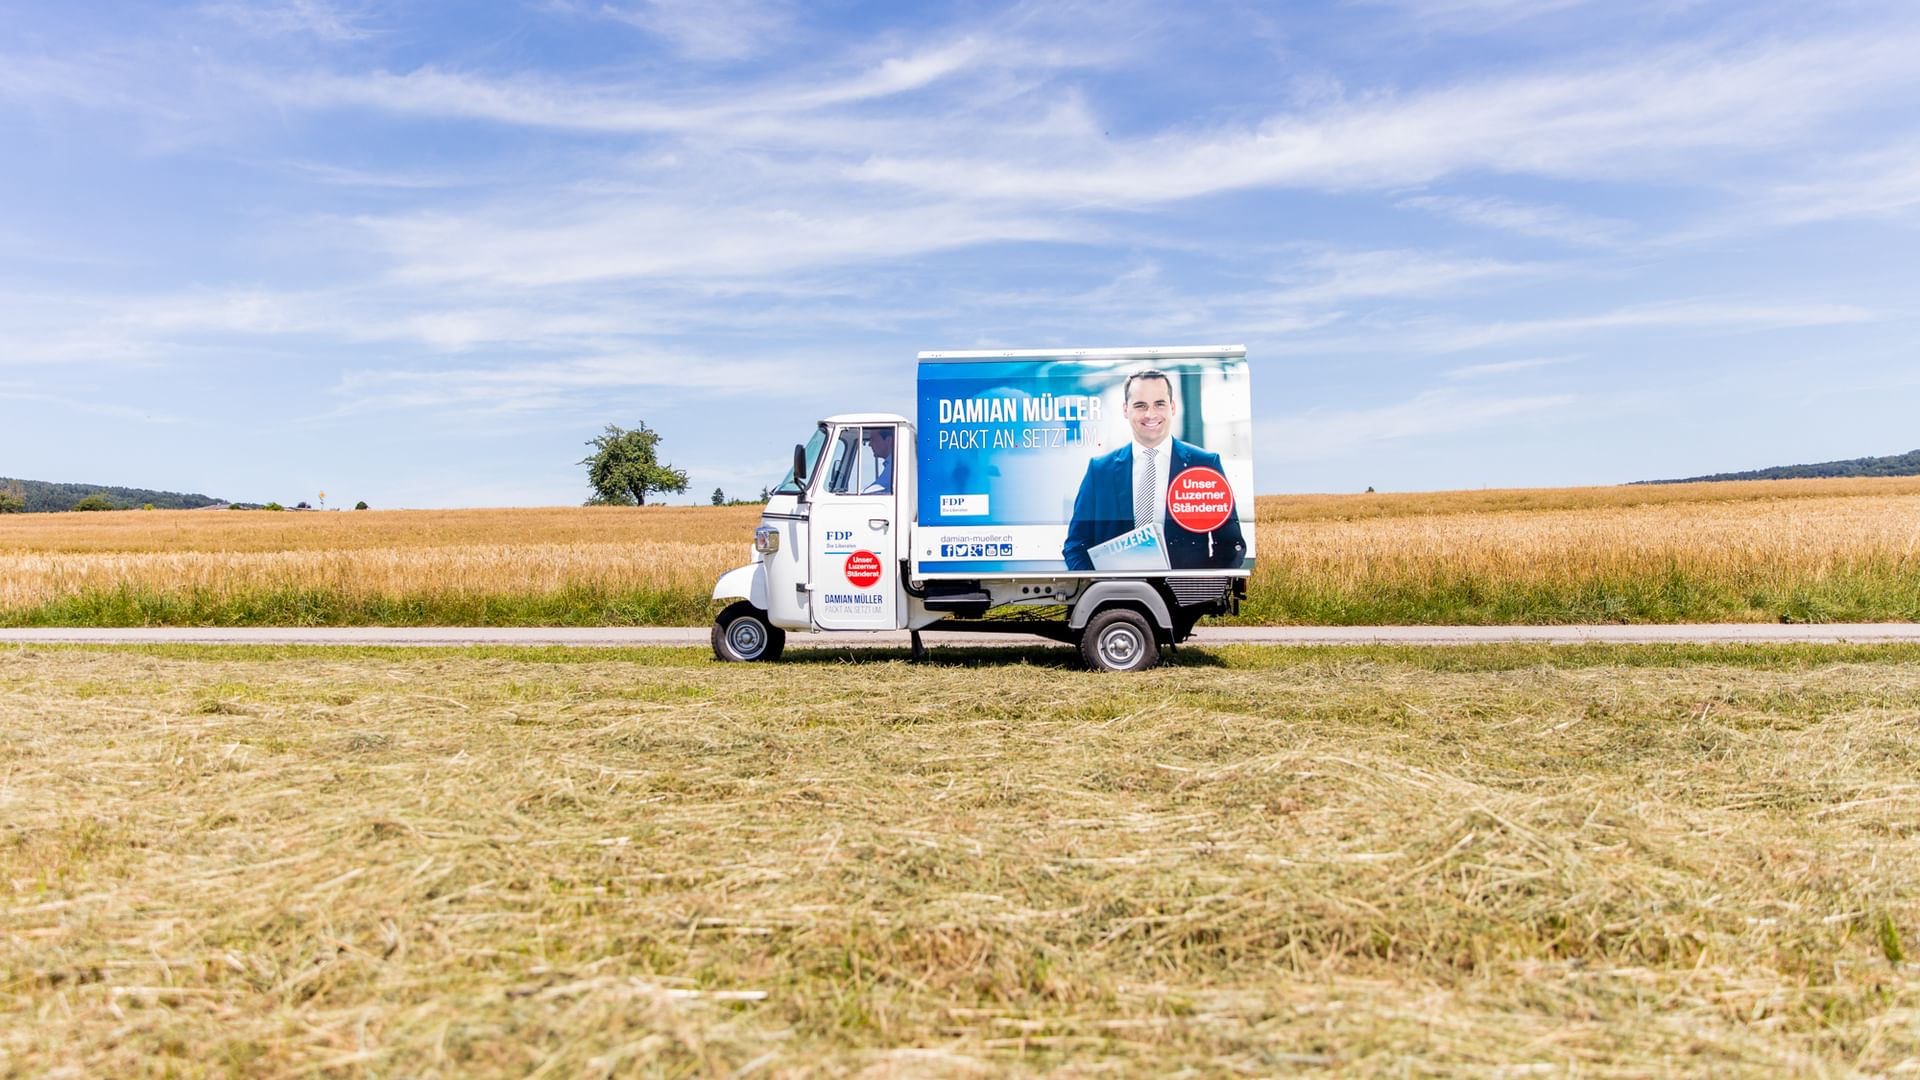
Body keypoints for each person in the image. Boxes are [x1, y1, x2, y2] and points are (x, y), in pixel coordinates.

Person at [1063, 370, 1245, 570]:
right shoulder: (1100, 471)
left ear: (1172, 407)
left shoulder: (1203, 465)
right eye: (1140, 405)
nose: (1150, 414)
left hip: (1184, 590)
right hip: (1115, 590)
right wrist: (1100, 585)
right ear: (1125, 409)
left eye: (1159, 404)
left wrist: (1198, 586)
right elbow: (1076, 546)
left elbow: (1231, 546)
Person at [862, 426, 895, 494]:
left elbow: (880, 487)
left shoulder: (894, 465)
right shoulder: (891, 463)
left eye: (873, 439)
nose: (870, 444)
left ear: (888, 440)